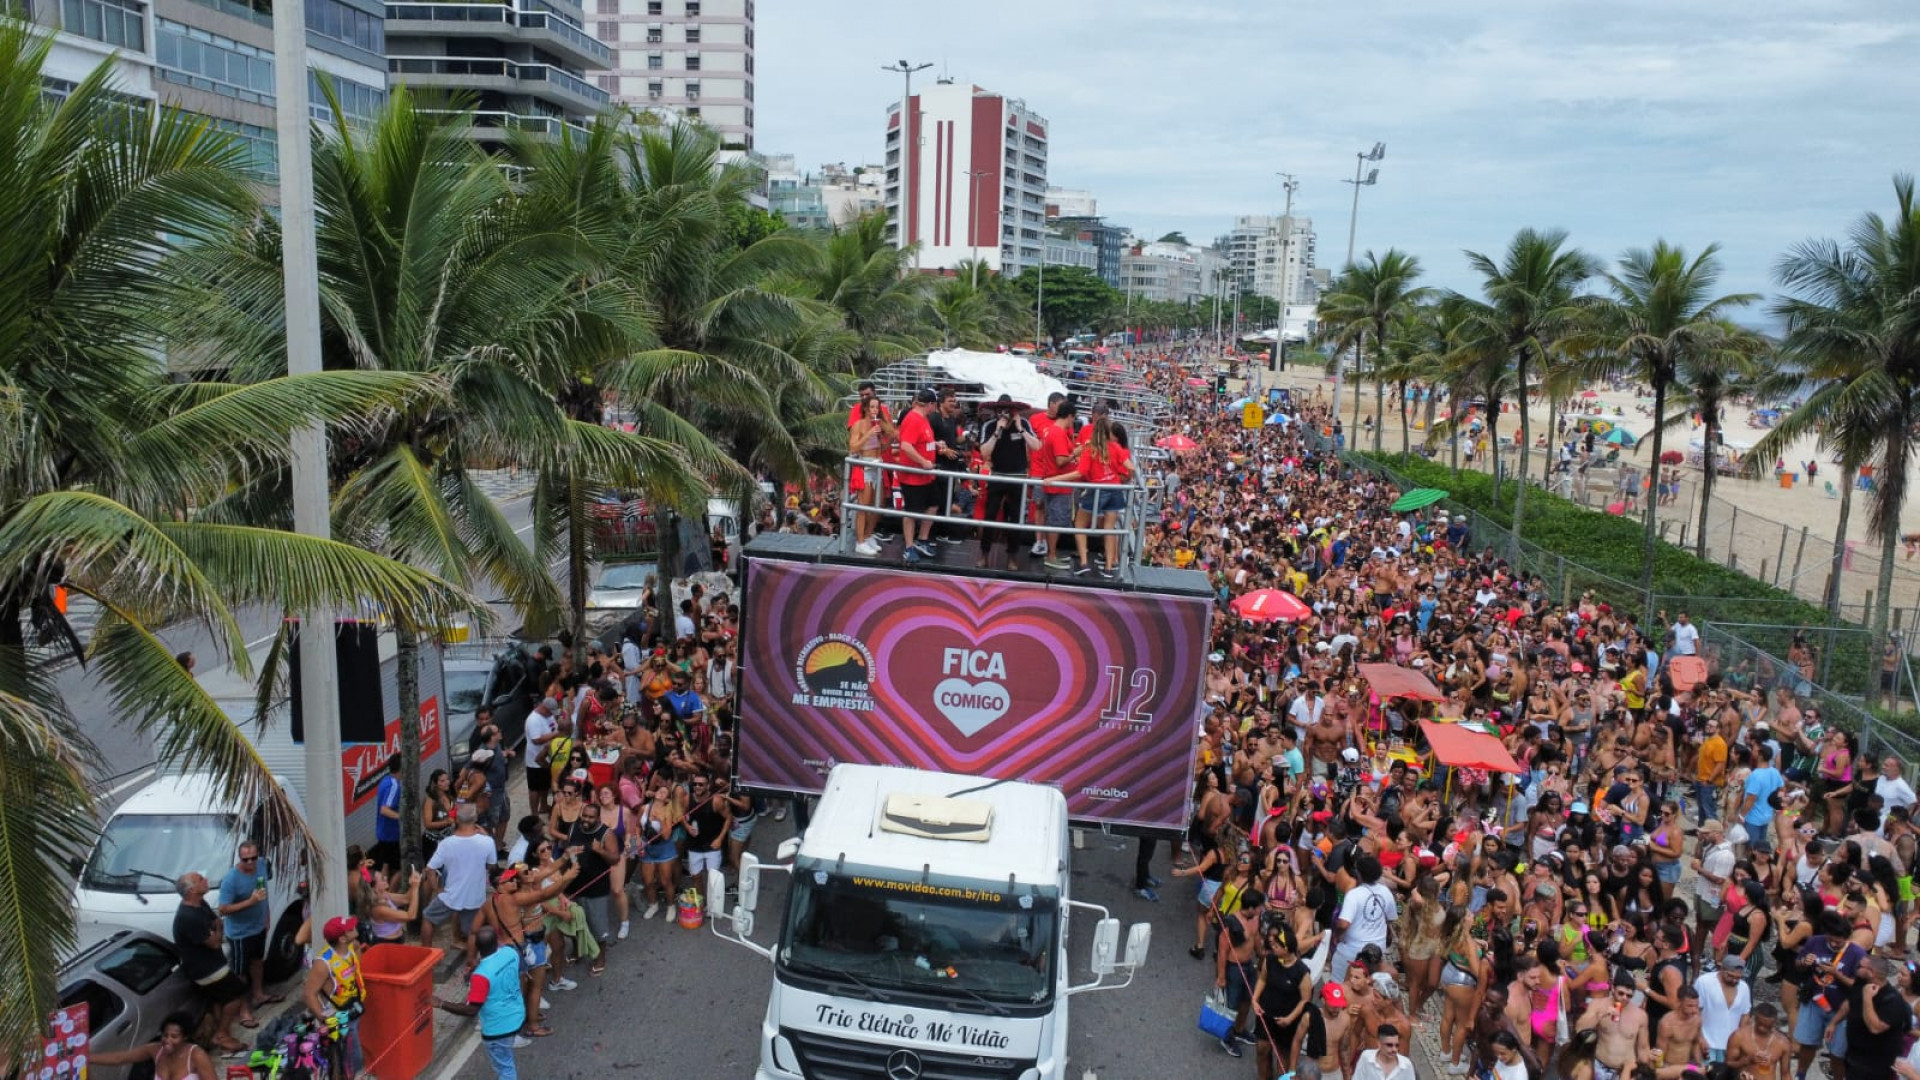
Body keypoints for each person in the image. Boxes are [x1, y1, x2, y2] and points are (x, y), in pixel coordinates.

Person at [170, 872, 249, 1055]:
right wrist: (219, 929)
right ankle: (221, 1034)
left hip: (213, 962)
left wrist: (216, 928)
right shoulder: (188, 917)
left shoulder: (200, 903)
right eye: (200, 880)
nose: (206, 880)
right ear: (191, 890)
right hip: (205, 969)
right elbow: (214, 942)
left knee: (219, 999)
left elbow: (214, 921)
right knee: (236, 995)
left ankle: (221, 1031)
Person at [438, 926, 527, 1076]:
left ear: (477, 948)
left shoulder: (481, 975)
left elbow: (471, 1010)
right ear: (497, 941)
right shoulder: (511, 952)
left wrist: (440, 1003)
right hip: (517, 1016)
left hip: (498, 1029)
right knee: (507, 1060)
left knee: (506, 1070)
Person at [215, 842, 282, 1026]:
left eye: (253, 857)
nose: (251, 862)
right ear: (240, 858)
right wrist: (250, 902)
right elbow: (223, 909)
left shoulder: (261, 864)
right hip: (239, 934)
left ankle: (258, 994)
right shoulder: (231, 879)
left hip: (258, 926)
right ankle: (243, 1010)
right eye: (246, 859)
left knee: (258, 962)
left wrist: (266, 915)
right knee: (240, 973)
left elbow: (264, 893)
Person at [424, 804, 497, 970]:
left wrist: (437, 889)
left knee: (428, 918)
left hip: (450, 895)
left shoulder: (446, 843)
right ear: (475, 819)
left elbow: (430, 869)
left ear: (456, 820)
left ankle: (427, 956)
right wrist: (486, 836)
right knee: (473, 931)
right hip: (475, 895)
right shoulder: (486, 842)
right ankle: (471, 963)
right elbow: (492, 866)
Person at [975, 394, 1040, 570]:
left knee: (1015, 517)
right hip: (997, 475)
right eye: (999, 411)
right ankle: (984, 553)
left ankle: (1012, 555)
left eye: (1007, 411)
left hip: (1018, 476)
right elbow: (984, 452)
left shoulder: (1024, 423)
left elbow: (1037, 446)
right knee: (990, 515)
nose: (1003, 414)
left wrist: (1020, 428)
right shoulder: (989, 425)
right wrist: (998, 431)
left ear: (1014, 412)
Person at [304, 916, 368, 1076]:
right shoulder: (323, 963)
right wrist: (325, 1019)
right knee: (349, 1063)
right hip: (339, 1019)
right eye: (350, 929)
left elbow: (356, 969)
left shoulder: (352, 946)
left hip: (354, 1010)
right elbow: (309, 994)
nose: (356, 928)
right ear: (342, 938)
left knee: (352, 1062)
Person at [86, 1012, 219, 1079]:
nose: (167, 1040)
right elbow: (120, 1058)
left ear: (185, 1037)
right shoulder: (155, 1050)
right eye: (165, 1035)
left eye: (174, 1036)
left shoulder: (196, 1055)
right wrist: (86, 1058)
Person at [1843, 956, 1915, 1080]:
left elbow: (1875, 1027)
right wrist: (1834, 1023)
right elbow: (1850, 1003)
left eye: (1860, 967)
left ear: (1872, 973)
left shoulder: (1892, 1001)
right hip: (1854, 1055)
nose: (1857, 968)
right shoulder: (1861, 982)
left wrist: (1867, 997)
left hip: (1875, 1065)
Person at [895, 388, 941, 564]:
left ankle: (922, 539)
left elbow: (921, 441)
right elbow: (906, 445)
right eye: (934, 405)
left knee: (934, 503)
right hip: (913, 476)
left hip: (926, 476)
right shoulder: (913, 419)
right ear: (930, 404)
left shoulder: (923, 419)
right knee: (912, 512)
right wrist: (923, 462)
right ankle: (909, 547)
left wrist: (935, 444)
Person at [1694, 955, 1752, 1063]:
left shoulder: (1744, 988)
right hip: (1707, 1041)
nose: (1735, 980)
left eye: (1738, 977)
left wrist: (1741, 1040)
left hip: (1731, 1044)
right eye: (1731, 976)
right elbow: (1695, 1012)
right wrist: (1700, 1038)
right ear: (1722, 969)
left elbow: (1745, 1015)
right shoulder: (1704, 982)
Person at [371, 752, 403, 871]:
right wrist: (401, 816)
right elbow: (384, 810)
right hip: (390, 834)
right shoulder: (393, 785)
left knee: (386, 864)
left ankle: (382, 887)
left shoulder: (386, 780)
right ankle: (388, 888)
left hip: (384, 833)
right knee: (399, 869)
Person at [1351, 1022, 1415, 1080]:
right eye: (1389, 1045)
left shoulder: (1406, 1065)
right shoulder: (1366, 1058)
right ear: (1379, 1043)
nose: (1394, 1049)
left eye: (1397, 1045)